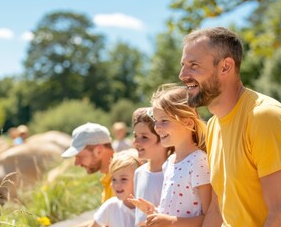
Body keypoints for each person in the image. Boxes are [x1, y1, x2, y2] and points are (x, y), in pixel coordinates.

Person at [179, 27, 281, 226]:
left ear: (225, 67)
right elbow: (217, 208)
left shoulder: (265, 118)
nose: (182, 75)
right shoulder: (215, 126)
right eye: (183, 65)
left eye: (194, 65)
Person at [129, 85, 211, 227]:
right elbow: (172, 213)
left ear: (187, 123)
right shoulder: (169, 162)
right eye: (156, 121)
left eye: (164, 121)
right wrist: (153, 212)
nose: (157, 127)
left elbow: (211, 217)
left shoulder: (198, 161)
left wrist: (171, 222)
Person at [131, 107, 173, 227]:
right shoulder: (139, 172)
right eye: (135, 136)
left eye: (144, 137)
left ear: (163, 138)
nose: (136, 142)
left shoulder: (172, 173)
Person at [61, 122, 115, 203]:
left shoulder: (121, 181)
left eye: (79, 156)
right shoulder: (113, 178)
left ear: (99, 151)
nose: (76, 163)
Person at [88, 151, 141, 227]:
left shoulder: (146, 208)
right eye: (113, 179)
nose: (116, 184)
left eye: (123, 179)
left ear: (138, 179)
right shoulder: (110, 206)